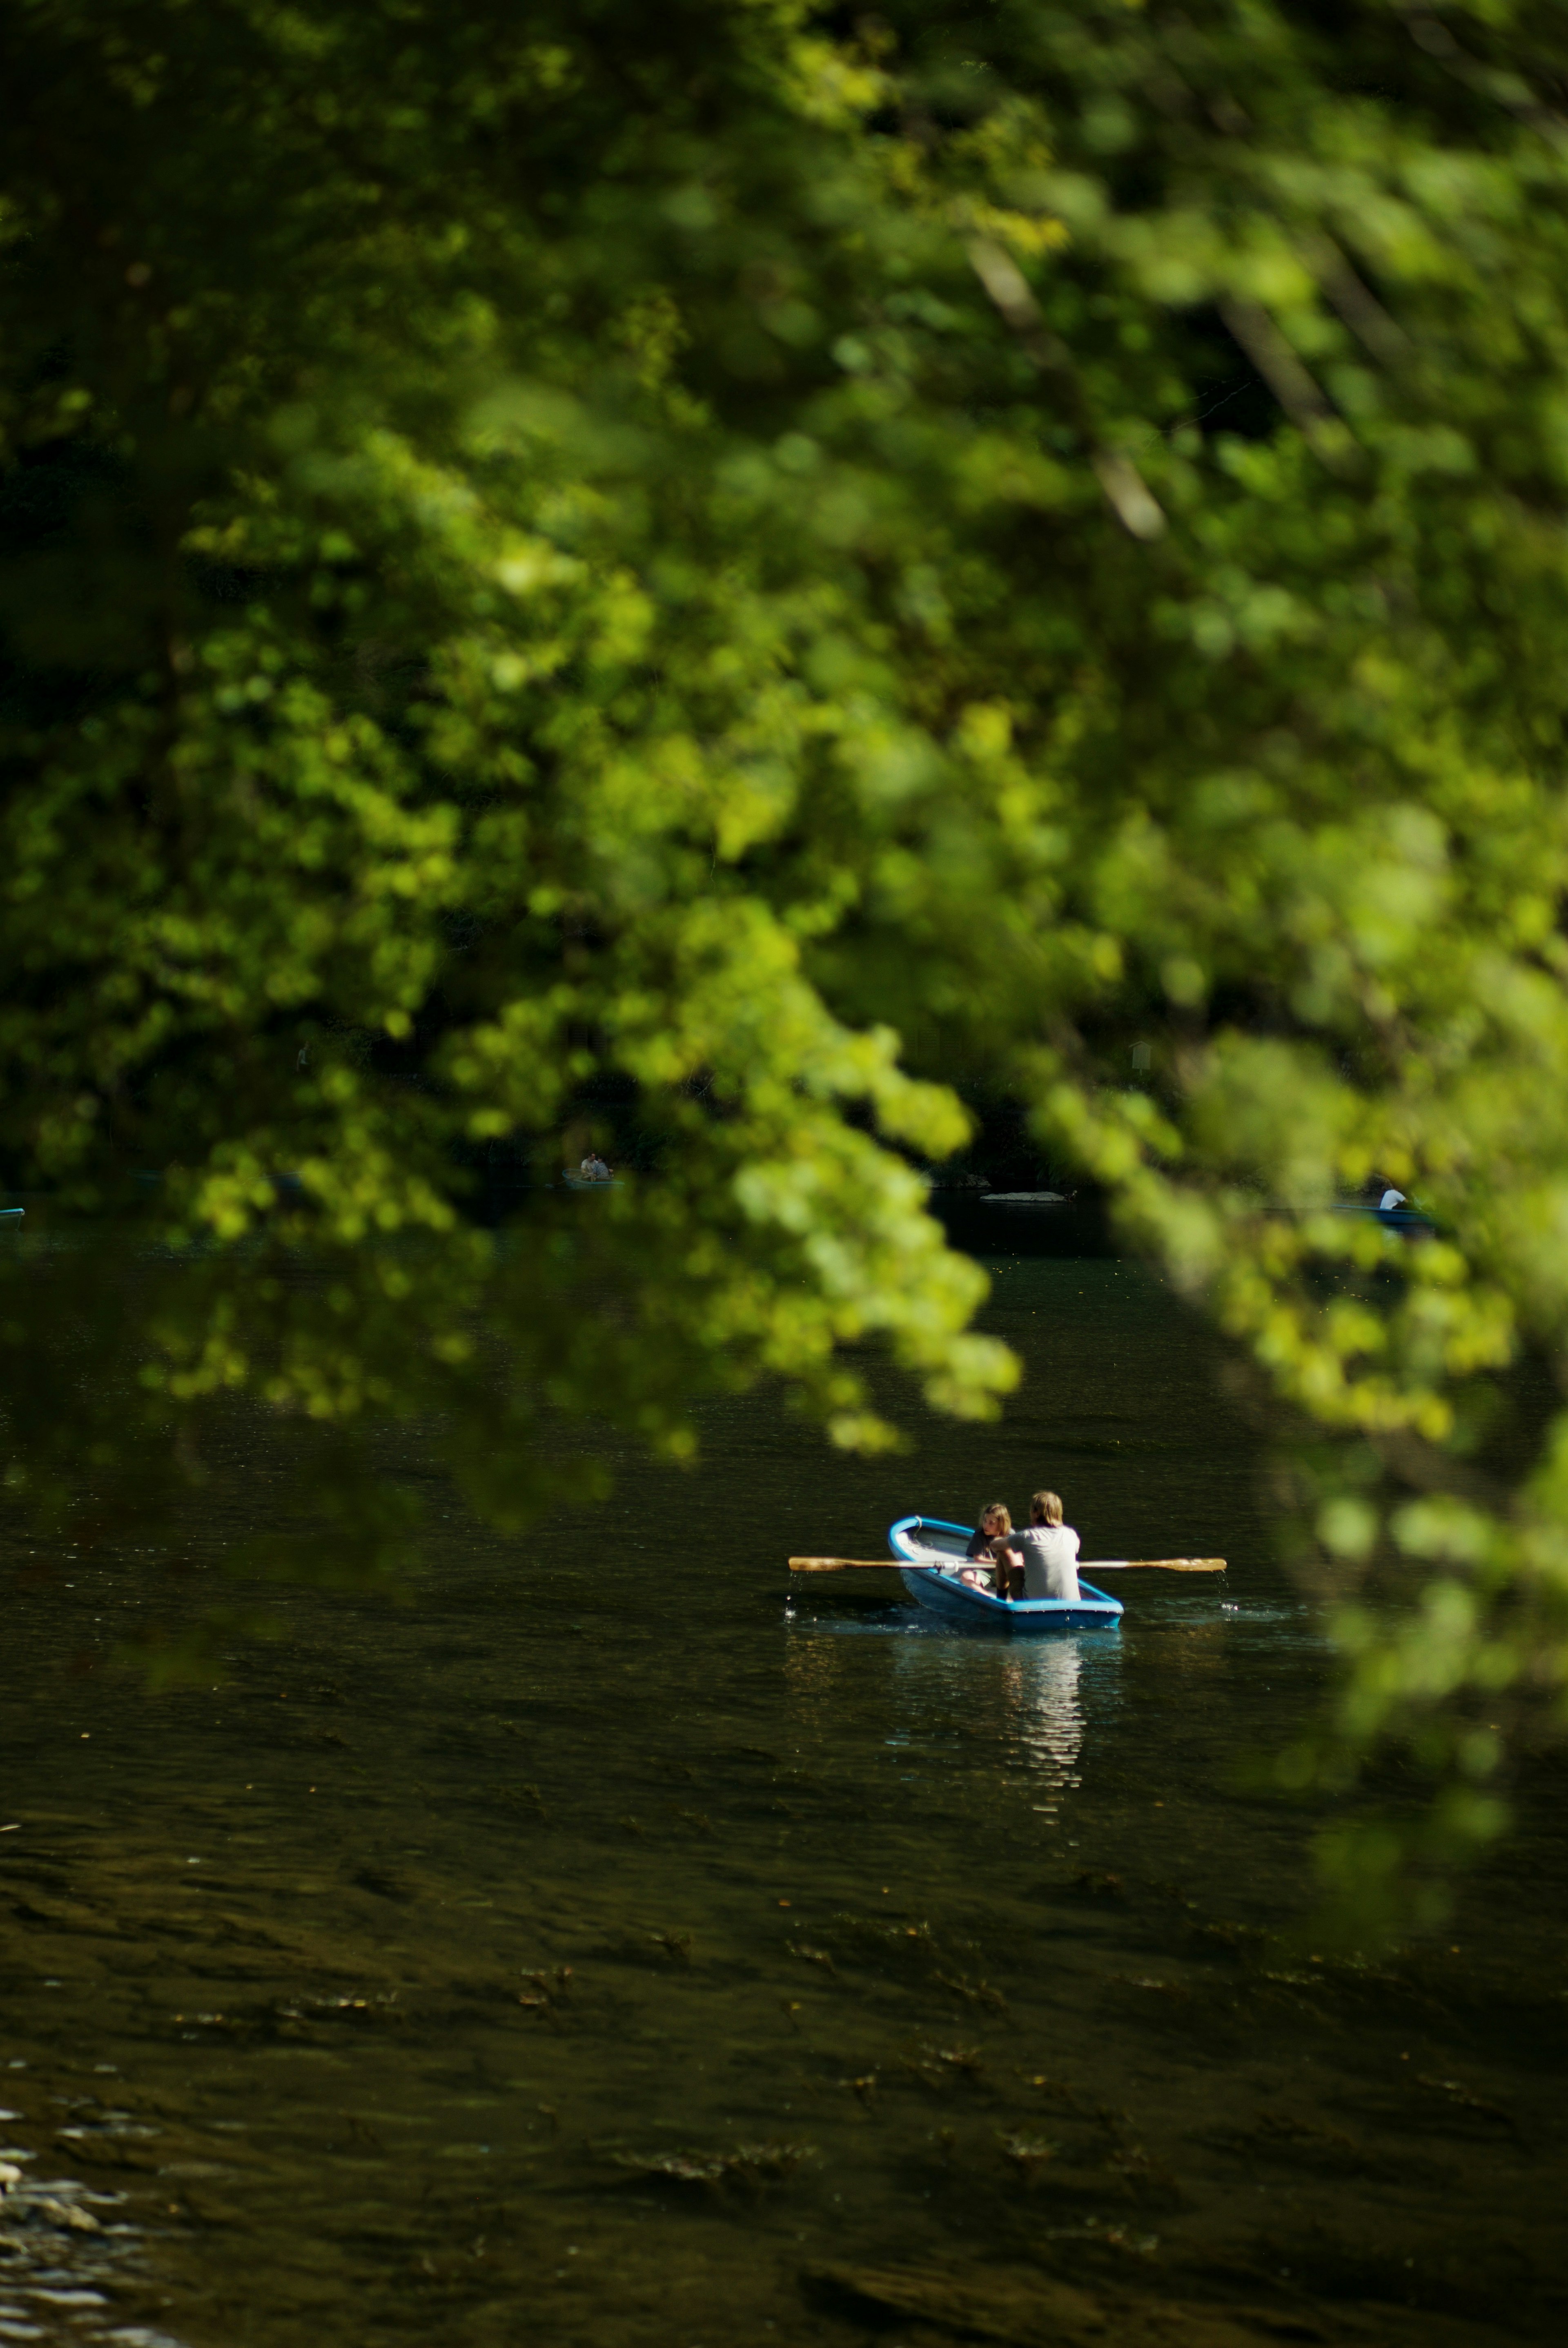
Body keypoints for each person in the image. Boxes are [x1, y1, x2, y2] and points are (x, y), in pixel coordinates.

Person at [1009, 1490, 1081, 1602]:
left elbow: (995, 1546)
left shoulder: (1028, 1536)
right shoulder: (1071, 1534)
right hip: (1072, 1605)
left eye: (1031, 1511)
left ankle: (1001, 1602)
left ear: (1037, 1513)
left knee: (1005, 1552)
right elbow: (1075, 1550)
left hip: (1033, 1604)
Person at [960, 1502, 1013, 1592]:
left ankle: (1013, 1601)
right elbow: (978, 1560)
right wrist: (1000, 1562)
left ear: (1001, 1524)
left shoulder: (1011, 1535)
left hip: (1006, 1573)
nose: (986, 1526)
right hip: (985, 1572)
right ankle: (985, 1596)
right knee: (966, 1576)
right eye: (985, 1521)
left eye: (991, 1523)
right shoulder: (979, 1534)